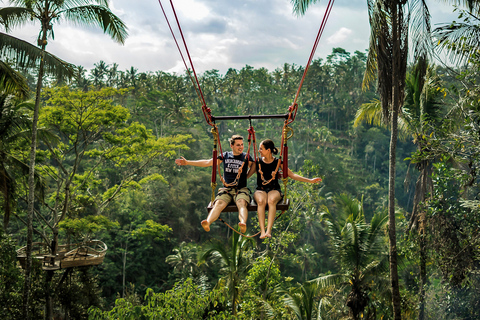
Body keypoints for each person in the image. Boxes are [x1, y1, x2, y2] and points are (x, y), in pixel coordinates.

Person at [175, 134, 255, 233]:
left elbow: (255, 166)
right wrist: (188, 162)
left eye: (242, 145)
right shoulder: (225, 155)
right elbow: (208, 162)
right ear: (232, 146)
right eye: (238, 145)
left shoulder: (246, 157)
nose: (241, 147)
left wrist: (247, 176)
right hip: (227, 189)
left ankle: (242, 222)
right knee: (219, 203)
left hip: (240, 189)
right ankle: (207, 222)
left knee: (241, 202)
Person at [254, 139, 322, 239]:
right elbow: (247, 174)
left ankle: (268, 230)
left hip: (274, 189)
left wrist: (310, 180)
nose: (259, 151)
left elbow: (292, 174)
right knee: (261, 201)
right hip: (261, 189)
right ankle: (262, 231)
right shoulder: (258, 162)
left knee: (271, 201)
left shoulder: (277, 162)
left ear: (268, 150)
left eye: (261, 149)